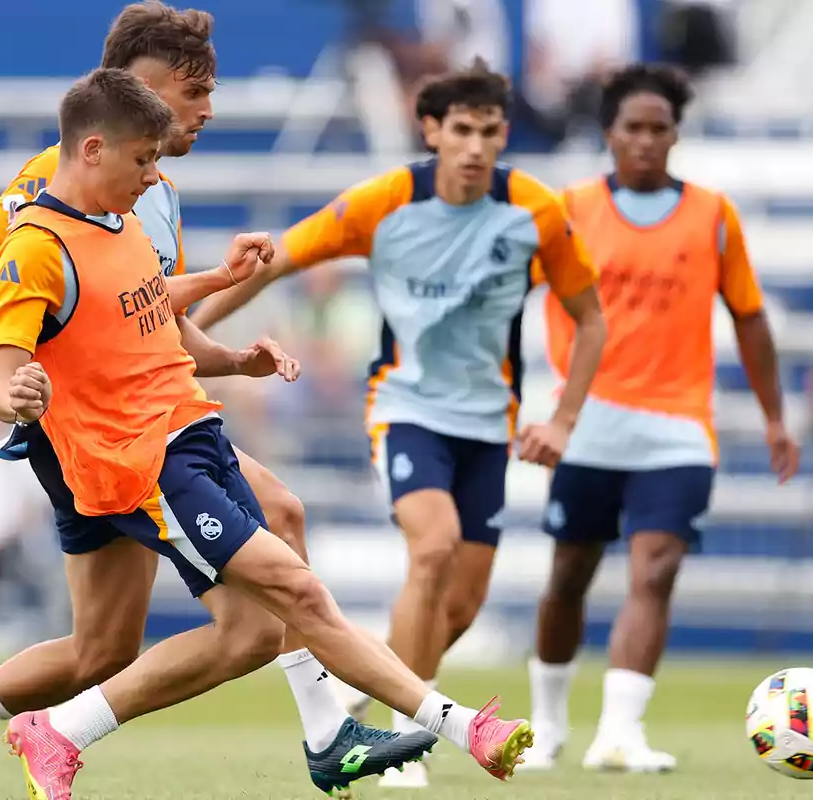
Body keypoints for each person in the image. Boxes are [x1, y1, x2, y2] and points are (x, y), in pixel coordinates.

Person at [0, 5, 402, 798]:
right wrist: (56, 348)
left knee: (101, 650)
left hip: (141, 417)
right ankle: (327, 733)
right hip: (96, 425)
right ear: (139, 91)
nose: (209, 109)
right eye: (195, 91)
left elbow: (155, 318)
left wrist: (232, 360)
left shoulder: (159, 193)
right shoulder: (58, 174)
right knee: (278, 522)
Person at [0, 67, 531, 798]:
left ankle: (62, 730)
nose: (153, 175)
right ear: (91, 150)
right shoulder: (34, 248)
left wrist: (219, 288)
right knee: (298, 591)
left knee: (253, 633)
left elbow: (140, 297)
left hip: (193, 429)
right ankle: (463, 729)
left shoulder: (122, 218)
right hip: (143, 465)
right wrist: (13, 393)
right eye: (143, 159)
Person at [191, 58, 606, 789]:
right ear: (431, 131)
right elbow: (277, 260)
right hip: (406, 412)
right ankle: (405, 742)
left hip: (487, 427)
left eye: (488, 132)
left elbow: (591, 319)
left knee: (464, 601)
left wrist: (566, 419)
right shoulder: (385, 202)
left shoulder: (535, 213)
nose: (475, 147)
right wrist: (187, 339)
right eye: (461, 130)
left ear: (504, 134)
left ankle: (372, 680)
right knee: (433, 546)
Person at [521, 63, 800, 772]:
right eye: (632, 128)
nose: (646, 141)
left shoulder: (713, 216)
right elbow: (503, 301)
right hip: (586, 423)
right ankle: (549, 724)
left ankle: (619, 730)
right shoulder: (570, 209)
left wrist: (774, 419)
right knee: (569, 576)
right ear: (609, 134)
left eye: (660, 129)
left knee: (656, 569)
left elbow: (750, 319)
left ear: (676, 135)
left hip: (678, 428)